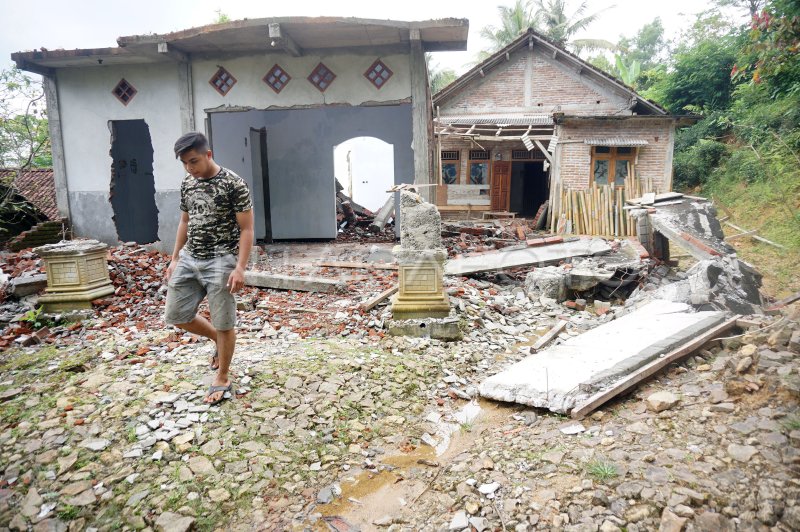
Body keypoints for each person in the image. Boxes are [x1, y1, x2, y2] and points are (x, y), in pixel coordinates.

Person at [164, 132, 254, 405]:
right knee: (177, 315)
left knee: (224, 321)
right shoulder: (188, 183)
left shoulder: (233, 184)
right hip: (190, 258)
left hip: (221, 259)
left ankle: (223, 376)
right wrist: (175, 257)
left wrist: (240, 267)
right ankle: (217, 340)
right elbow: (184, 221)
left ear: (208, 155)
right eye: (185, 163)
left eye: (194, 161)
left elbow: (247, 228)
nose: (190, 168)